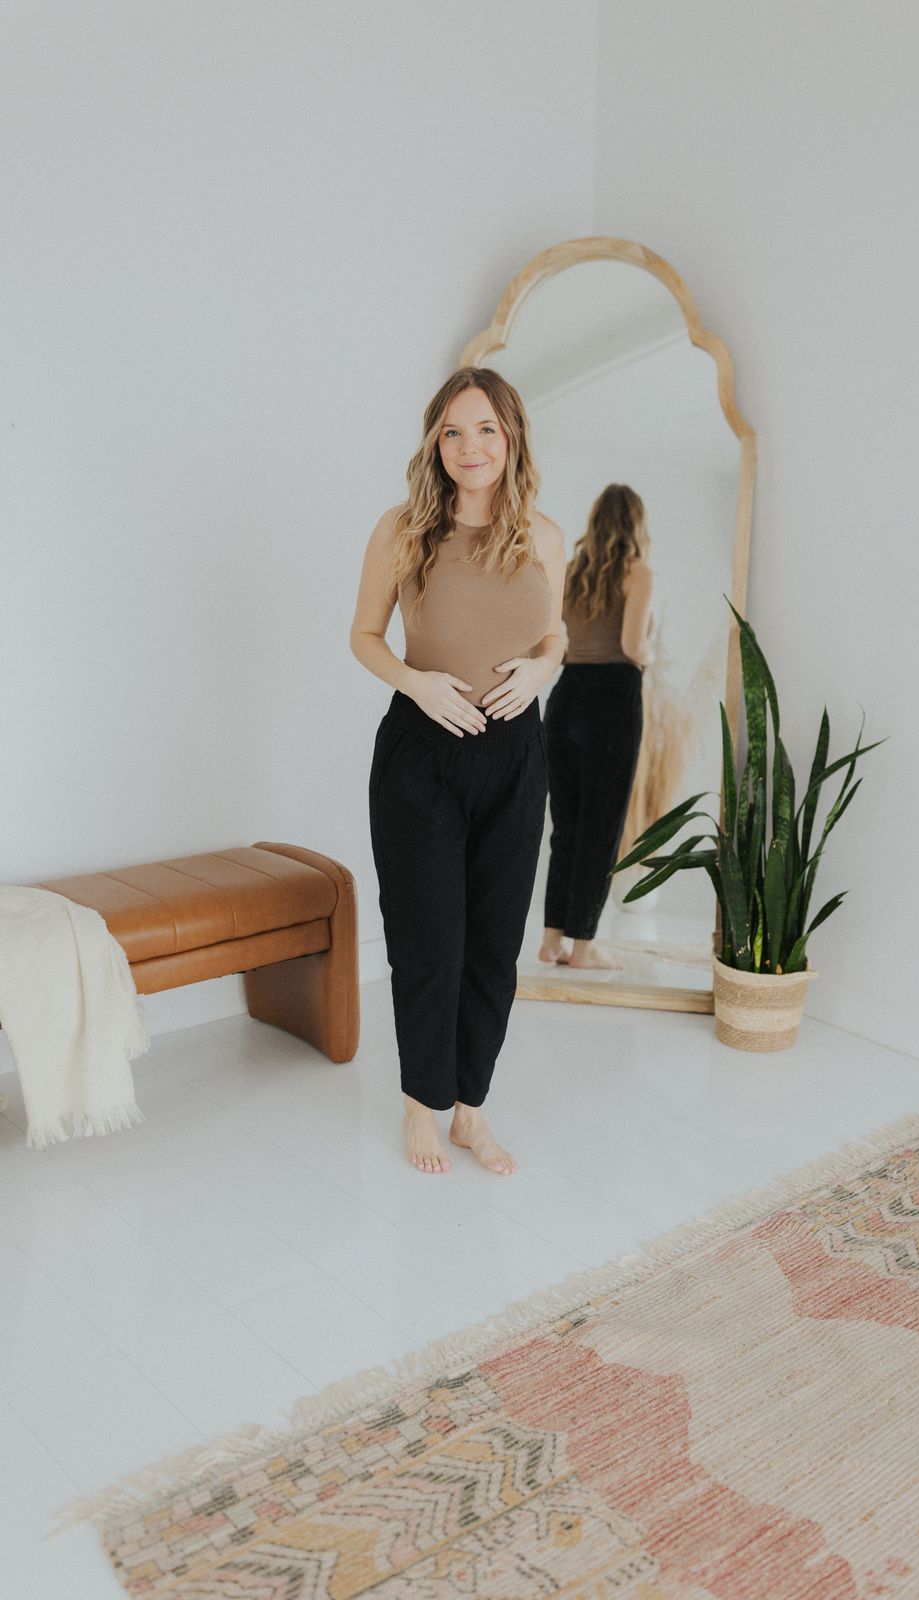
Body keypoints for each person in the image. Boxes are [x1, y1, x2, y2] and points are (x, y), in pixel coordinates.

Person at [349, 367, 566, 1175]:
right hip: (422, 754)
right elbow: (364, 635)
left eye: (485, 429)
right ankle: (421, 1107)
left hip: (515, 756)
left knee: (493, 945)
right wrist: (416, 683)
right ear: (434, 442)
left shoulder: (543, 535)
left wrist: (543, 669)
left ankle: (470, 1110)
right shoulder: (402, 528)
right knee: (427, 942)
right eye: (451, 431)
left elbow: (556, 635)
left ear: (510, 438)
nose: (468, 446)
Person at [539, 484, 654, 971]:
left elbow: (556, 641)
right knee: (601, 828)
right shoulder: (638, 572)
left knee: (566, 827)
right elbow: (632, 645)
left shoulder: (572, 571)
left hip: (566, 695)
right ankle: (584, 946)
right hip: (613, 698)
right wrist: (652, 655)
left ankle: (552, 940)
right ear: (636, 523)